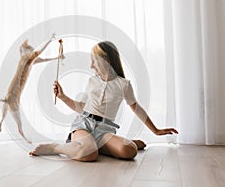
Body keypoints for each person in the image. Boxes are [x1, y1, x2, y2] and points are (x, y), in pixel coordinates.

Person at [29, 41, 178, 161]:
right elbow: (82, 107)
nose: (91, 65)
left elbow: (136, 108)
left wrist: (156, 130)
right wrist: (62, 97)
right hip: (84, 125)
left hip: (105, 129)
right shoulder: (92, 81)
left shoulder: (124, 84)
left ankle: (97, 145)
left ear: (104, 60)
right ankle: (55, 148)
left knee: (129, 151)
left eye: (93, 61)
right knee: (89, 154)